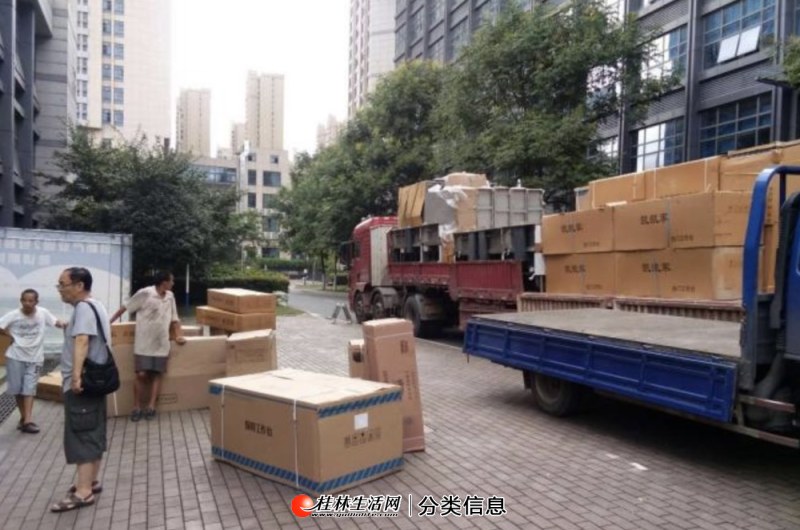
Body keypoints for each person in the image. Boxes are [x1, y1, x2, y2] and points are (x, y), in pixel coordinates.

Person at [51, 267, 109, 513]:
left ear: (79, 285)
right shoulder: (96, 306)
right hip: (96, 381)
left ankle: (83, 492)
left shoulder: (84, 308)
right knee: (92, 429)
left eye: (62, 284)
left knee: (82, 434)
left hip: (83, 383)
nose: (60, 289)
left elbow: (83, 340)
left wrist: (75, 377)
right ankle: (91, 481)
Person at [109, 271, 185, 422]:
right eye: (171, 281)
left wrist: (178, 335)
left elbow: (175, 318)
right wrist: (109, 322)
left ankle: (151, 406)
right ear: (164, 282)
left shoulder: (170, 296)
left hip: (161, 343)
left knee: (156, 374)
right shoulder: (145, 293)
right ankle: (136, 406)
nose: (173, 283)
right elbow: (126, 307)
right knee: (141, 374)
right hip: (143, 343)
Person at [0, 289, 65, 434]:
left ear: (36, 302)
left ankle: (28, 421)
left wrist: (65, 324)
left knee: (29, 389)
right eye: (24, 300)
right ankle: (23, 418)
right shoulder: (14, 315)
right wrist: (9, 335)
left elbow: (56, 322)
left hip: (35, 358)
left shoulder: (42, 313)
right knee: (17, 390)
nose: (27, 303)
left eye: (30, 301)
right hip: (15, 356)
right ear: (21, 301)